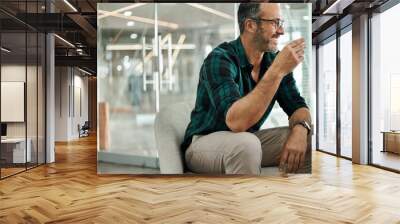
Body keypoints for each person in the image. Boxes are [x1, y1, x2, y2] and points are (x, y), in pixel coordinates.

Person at [181, 3, 312, 175]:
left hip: (247, 140)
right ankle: (249, 201)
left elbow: (298, 107)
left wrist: (301, 128)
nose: (281, 31)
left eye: (281, 23)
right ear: (250, 25)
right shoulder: (220, 59)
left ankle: (293, 200)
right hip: (203, 143)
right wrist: (277, 71)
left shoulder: (273, 61)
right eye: (274, 23)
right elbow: (236, 122)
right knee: (246, 144)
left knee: (307, 141)